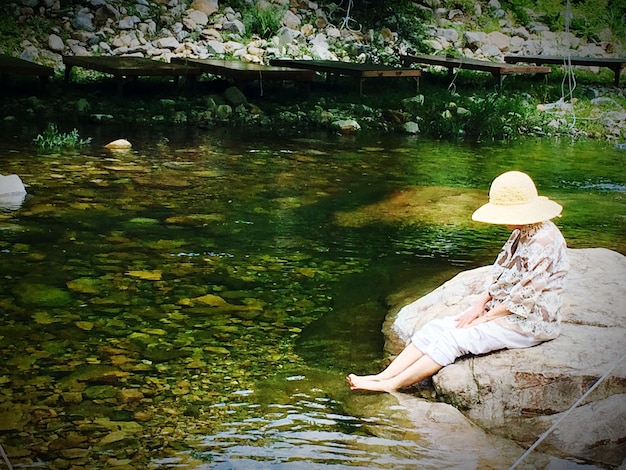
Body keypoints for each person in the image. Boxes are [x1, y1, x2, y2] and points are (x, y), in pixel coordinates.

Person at [348, 170, 569, 392]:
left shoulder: (543, 240)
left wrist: (486, 319)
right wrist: (479, 305)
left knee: (455, 339)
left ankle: (392, 385)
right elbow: (501, 275)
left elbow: (524, 297)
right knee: (435, 328)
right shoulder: (521, 232)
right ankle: (383, 376)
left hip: (530, 321)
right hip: (504, 310)